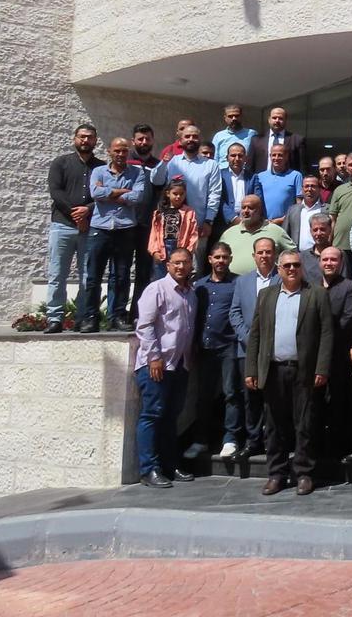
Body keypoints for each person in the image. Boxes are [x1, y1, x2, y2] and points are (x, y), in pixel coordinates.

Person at [244, 248, 333, 496]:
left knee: (304, 424)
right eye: (287, 266)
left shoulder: (316, 294)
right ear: (279, 269)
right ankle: (277, 474)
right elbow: (256, 334)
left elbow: (327, 333)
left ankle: (304, 473)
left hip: (304, 370)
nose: (292, 269)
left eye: (296, 265)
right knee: (274, 425)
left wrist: (322, 367)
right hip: (273, 370)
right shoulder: (266, 295)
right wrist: (251, 369)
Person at [133, 247, 197, 488]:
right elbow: (145, 325)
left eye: (185, 262)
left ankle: (170, 464)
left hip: (179, 364)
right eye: (176, 263)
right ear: (168, 265)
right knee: (152, 415)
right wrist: (154, 357)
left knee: (171, 417)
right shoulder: (157, 289)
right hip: (157, 365)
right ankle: (149, 469)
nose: (181, 267)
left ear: (191, 265)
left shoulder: (191, 293)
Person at [81, 136, 145, 332]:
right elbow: (95, 193)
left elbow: (137, 197)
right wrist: (121, 191)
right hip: (100, 228)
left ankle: (117, 316)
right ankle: (91, 318)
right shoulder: (98, 171)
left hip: (125, 229)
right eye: (117, 150)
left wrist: (108, 193)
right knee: (93, 276)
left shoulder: (137, 172)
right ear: (109, 151)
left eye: (124, 150)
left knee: (121, 276)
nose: (120, 154)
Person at [45, 123, 101, 333]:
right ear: (75, 139)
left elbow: (105, 196)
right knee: (57, 274)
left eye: (90, 137)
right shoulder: (61, 163)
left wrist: (88, 210)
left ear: (95, 141)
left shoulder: (101, 167)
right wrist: (76, 215)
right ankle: (54, 318)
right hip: (62, 225)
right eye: (82, 137)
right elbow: (56, 192)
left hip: (90, 228)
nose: (85, 140)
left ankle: (82, 318)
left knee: (88, 276)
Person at [227, 237, 277, 458]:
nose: (264, 256)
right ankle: (253, 440)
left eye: (268, 252)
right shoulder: (242, 281)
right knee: (250, 398)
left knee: (273, 398)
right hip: (247, 349)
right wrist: (250, 339)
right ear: (254, 255)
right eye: (260, 252)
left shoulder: (282, 278)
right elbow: (234, 312)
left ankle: (273, 441)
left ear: (274, 254)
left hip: (274, 349)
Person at [192, 242, 241, 458]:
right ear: (210, 259)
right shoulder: (199, 286)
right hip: (205, 347)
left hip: (229, 346)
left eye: (225, 257)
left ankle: (230, 438)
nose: (221, 261)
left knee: (231, 393)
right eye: (217, 257)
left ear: (230, 259)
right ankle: (200, 439)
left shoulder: (238, 283)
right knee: (203, 394)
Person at [149, 124, 221, 271]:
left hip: (198, 226)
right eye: (187, 136)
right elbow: (156, 180)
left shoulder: (211, 165)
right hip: (170, 228)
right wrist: (164, 162)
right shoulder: (172, 162)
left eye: (194, 136)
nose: (191, 139)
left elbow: (214, 193)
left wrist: (209, 220)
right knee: (168, 268)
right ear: (180, 140)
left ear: (199, 139)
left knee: (194, 269)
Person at [317, 245, 352, 470]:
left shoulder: (348, 287)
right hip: (313, 354)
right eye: (325, 259)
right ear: (319, 262)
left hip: (337, 353)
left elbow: (347, 318)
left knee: (338, 401)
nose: (329, 263)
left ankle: (339, 447)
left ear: (341, 263)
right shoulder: (311, 286)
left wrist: (322, 335)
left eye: (333, 260)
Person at [219, 194, 295, 276]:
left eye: (250, 208)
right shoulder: (228, 234)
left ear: (259, 210)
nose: (246, 211)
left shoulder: (276, 231)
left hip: (268, 281)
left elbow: (293, 254)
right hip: (232, 282)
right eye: (243, 208)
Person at [128, 124, 160, 305]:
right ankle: (116, 314)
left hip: (148, 225)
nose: (144, 142)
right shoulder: (125, 162)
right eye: (140, 139)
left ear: (153, 141)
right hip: (126, 224)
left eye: (147, 138)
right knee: (120, 272)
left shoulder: (158, 165)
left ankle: (137, 312)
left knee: (144, 271)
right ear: (133, 141)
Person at [148, 179, 199, 282]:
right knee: (160, 278)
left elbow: (193, 233)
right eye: (175, 194)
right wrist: (154, 251)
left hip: (180, 247)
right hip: (162, 248)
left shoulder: (189, 212)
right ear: (168, 193)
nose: (178, 197)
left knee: (179, 277)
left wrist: (188, 252)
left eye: (181, 194)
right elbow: (154, 234)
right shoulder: (159, 212)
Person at [249, 106, 304, 174]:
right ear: (269, 120)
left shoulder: (297, 140)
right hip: (262, 179)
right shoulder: (256, 140)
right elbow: (250, 166)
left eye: (280, 118)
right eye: (274, 118)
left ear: (286, 120)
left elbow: (302, 167)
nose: (277, 120)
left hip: (287, 179)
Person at [218, 143, 260, 228]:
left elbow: (257, 199)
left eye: (240, 156)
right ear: (227, 158)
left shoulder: (253, 177)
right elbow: (219, 199)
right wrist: (233, 218)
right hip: (225, 223)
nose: (237, 159)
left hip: (248, 223)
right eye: (233, 155)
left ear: (245, 158)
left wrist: (247, 218)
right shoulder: (219, 176)